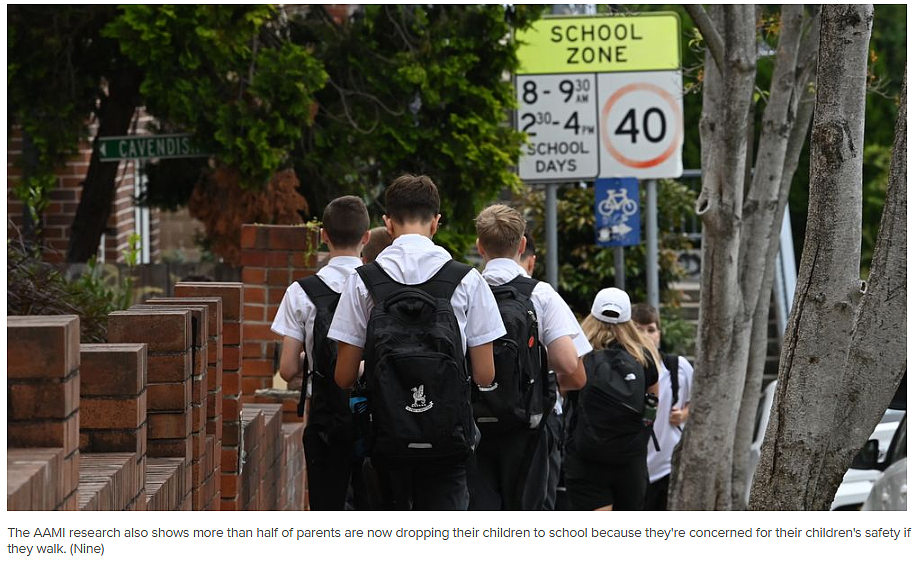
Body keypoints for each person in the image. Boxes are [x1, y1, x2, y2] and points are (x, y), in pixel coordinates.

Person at [329, 174, 505, 510]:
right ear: (436, 222)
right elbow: (484, 375)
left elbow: (344, 377)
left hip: (386, 438)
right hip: (448, 439)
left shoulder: (362, 281)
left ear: (387, 223)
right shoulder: (467, 280)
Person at [470, 206, 590, 510]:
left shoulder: (463, 289)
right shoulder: (540, 293)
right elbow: (568, 365)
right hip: (526, 423)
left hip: (473, 423)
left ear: (479, 246)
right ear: (522, 245)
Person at [271, 195, 370, 510]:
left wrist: (314, 357)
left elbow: (286, 369)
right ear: (366, 238)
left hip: (325, 417)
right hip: (376, 413)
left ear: (324, 236)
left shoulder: (301, 292)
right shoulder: (379, 287)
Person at [564, 287, 660, 511]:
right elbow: (653, 402)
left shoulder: (579, 353)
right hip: (630, 458)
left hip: (585, 455)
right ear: (629, 320)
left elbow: (563, 392)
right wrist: (640, 430)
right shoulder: (643, 356)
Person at [632, 303, 692, 510]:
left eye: (651, 329)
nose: (646, 335)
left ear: (659, 333)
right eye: (638, 329)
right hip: (632, 464)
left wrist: (684, 413)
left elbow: (700, 402)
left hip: (668, 463)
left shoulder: (678, 367)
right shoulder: (622, 370)